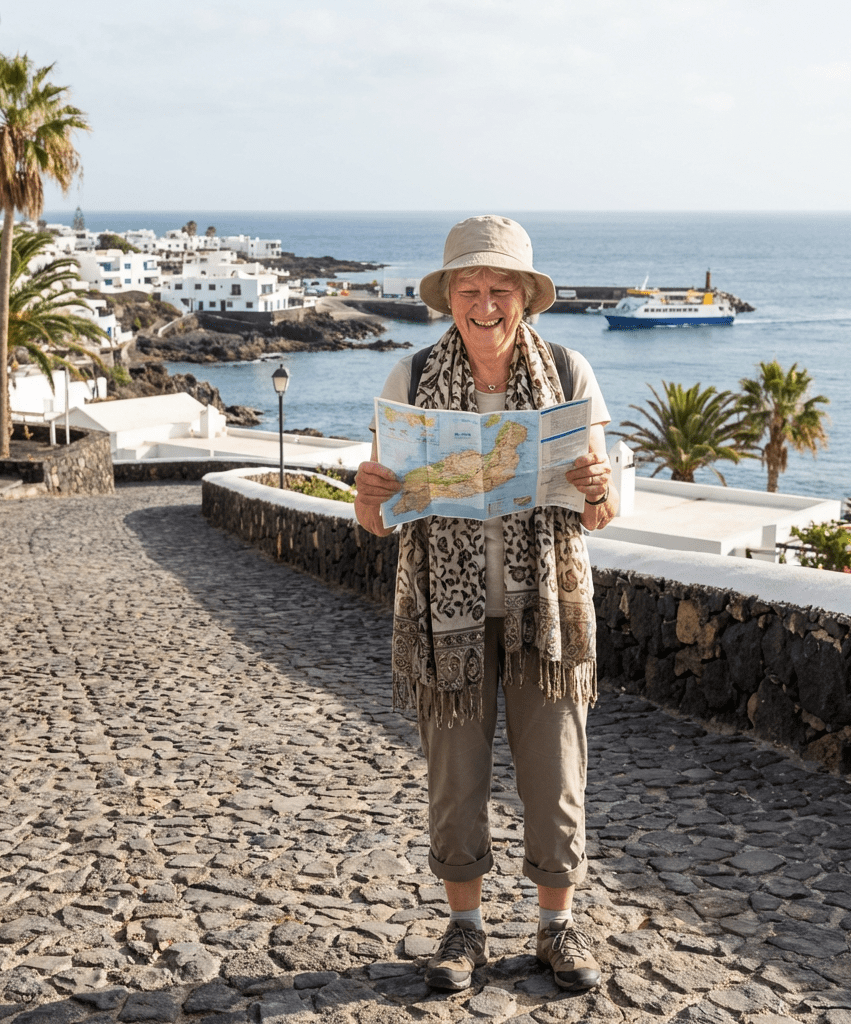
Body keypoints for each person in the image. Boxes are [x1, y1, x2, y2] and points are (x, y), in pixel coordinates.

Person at [354, 215, 618, 993]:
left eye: (500, 287)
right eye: (469, 286)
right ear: (448, 297)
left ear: (526, 297)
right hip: (444, 614)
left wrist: (600, 492)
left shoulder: (570, 374)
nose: (484, 300)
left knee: (556, 774)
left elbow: (597, 516)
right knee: (455, 777)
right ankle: (464, 929)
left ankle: (556, 927)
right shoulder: (409, 380)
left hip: (550, 612)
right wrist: (368, 497)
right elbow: (380, 518)